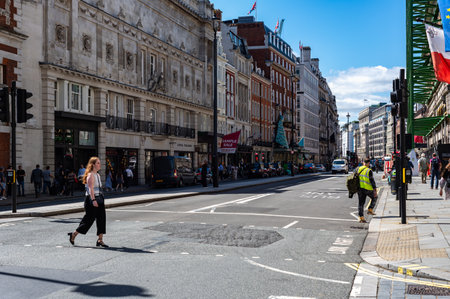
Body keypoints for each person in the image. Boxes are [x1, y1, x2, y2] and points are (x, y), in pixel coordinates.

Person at [68, 156, 108, 248]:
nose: (99, 165)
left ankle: (100, 240)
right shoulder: (90, 175)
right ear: (93, 165)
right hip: (91, 200)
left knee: (102, 219)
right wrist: (93, 200)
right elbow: (90, 190)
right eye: (98, 163)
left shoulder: (97, 175)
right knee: (88, 220)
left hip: (100, 199)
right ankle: (74, 234)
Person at [356, 158, 378, 223]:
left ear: (363, 163)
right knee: (375, 197)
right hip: (368, 189)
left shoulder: (358, 169)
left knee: (361, 203)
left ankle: (361, 217)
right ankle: (370, 209)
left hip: (360, 189)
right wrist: (375, 190)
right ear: (368, 163)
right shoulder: (369, 171)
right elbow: (372, 181)